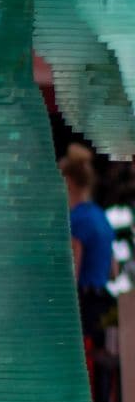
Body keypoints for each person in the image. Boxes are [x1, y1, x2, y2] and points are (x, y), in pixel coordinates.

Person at [65, 146, 116, 347]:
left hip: (85, 308)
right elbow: (113, 272)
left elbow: (72, 274)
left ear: (68, 182)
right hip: (104, 305)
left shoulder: (76, 219)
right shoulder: (101, 217)